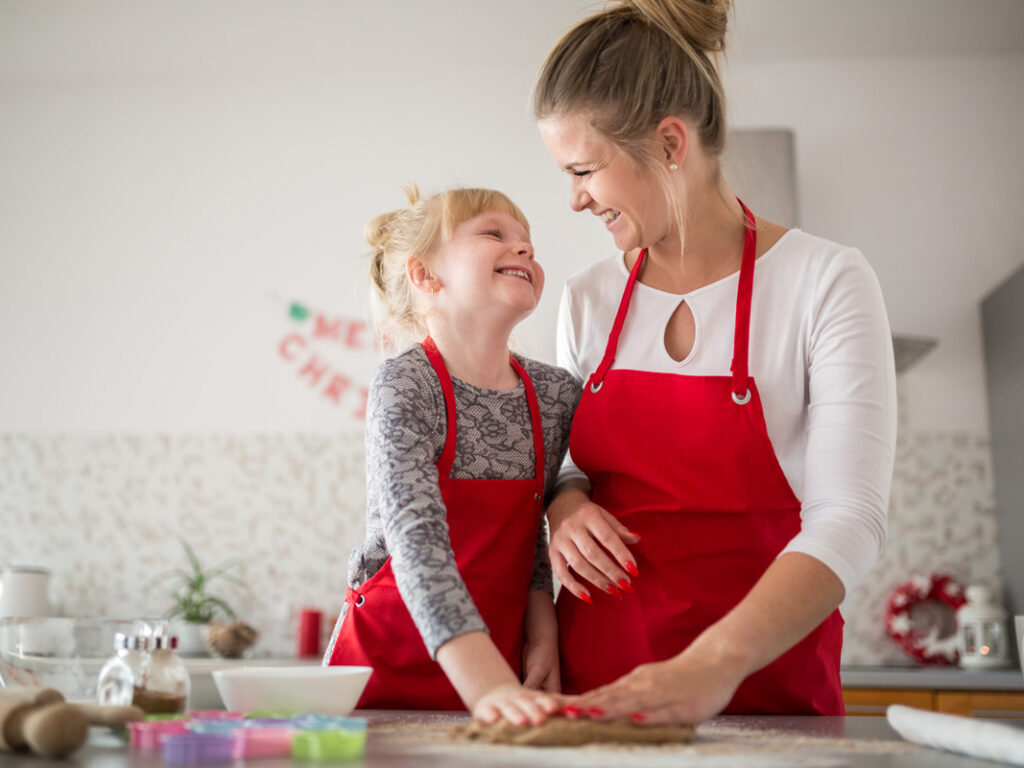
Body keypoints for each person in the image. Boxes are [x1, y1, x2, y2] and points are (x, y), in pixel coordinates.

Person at [533, 0, 897, 724]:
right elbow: (568, 466)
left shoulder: (825, 282)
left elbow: (849, 519)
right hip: (598, 703)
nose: (573, 200)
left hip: (766, 698)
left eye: (584, 170)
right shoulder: (587, 300)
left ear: (671, 142)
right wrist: (564, 505)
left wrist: (712, 665)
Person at [324, 185, 580, 726]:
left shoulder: (555, 395)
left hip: (501, 676)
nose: (525, 249)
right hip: (382, 677)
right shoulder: (405, 383)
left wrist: (543, 630)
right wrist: (482, 682)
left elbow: (531, 532)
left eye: (527, 241)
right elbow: (414, 538)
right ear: (426, 277)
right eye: (494, 233)